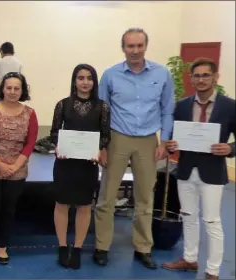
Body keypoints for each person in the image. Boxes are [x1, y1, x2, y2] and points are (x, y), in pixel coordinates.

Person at [94, 28, 175, 269]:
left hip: (148, 140)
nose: (135, 51)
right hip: (117, 138)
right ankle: (101, 246)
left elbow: (167, 109)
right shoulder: (110, 75)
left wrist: (164, 141)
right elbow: (101, 113)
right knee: (107, 196)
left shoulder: (162, 74)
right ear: (123, 48)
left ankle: (143, 247)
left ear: (145, 47)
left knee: (145, 197)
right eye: (130, 46)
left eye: (139, 46)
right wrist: (103, 146)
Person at [162, 58, 235, 280]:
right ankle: (190, 259)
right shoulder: (182, 106)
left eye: (206, 75)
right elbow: (174, 137)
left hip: (212, 172)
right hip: (185, 170)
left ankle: (212, 271)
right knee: (188, 216)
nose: (201, 80)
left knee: (212, 221)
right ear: (191, 79)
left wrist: (230, 148)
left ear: (215, 77)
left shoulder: (230, 106)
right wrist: (171, 144)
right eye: (197, 76)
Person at [50, 64, 110, 269]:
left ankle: (77, 248)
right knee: (62, 204)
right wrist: (58, 147)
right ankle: (62, 246)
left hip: (88, 164)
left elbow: (105, 136)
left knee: (84, 206)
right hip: (65, 162)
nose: (85, 82)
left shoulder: (102, 106)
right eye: (80, 78)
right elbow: (54, 133)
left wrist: (98, 149)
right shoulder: (62, 104)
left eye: (89, 78)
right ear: (74, 81)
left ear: (94, 82)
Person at [0, 72, 38, 265]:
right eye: (9, 87)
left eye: (16, 88)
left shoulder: (30, 113)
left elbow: (30, 143)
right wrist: (0, 165)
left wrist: (14, 166)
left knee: (8, 210)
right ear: (2, 89)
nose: (12, 92)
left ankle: (2, 246)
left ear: (22, 91)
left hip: (16, 171)